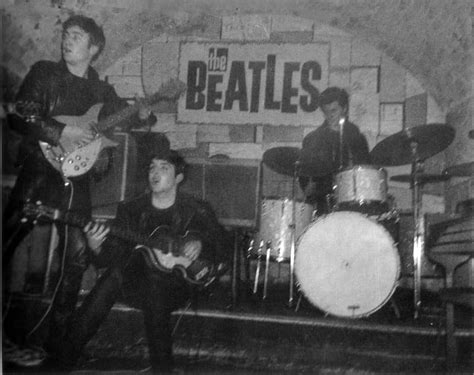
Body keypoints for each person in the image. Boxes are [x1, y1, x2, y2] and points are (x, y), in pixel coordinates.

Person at [2, 14, 161, 364]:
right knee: (6, 245)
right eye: (66, 34)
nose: (67, 40)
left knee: (76, 259)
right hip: (39, 174)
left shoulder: (102, 92)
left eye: (76, 36)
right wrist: (61, 133)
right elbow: (19, 115)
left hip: (77, 181)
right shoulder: (45, 73)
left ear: (94, 48)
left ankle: (59, 345)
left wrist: (146, 113)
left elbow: (131, 118)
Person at [50, 148, 231, 373]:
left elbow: (223, 244)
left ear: (178, 178)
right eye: (152, 167)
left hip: (179, 285)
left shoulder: (196, 209)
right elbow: (112, 257)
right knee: (113, 276)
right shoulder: (131, 209)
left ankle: (162, 369)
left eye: (164, 168)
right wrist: (95, 245)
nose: (155, 173)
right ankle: (63, 359)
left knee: (156, 287)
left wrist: (200, 242)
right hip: (138, 283)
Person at [299, 87, 371, 214]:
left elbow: (365, 173)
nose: (330, 115)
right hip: (323, 204)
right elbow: (303, 174)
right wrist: (307, 186)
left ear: (344, 109)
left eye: (334, 110)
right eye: (326, 111)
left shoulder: (357, 138)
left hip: (353, 201)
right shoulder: (313, 140)